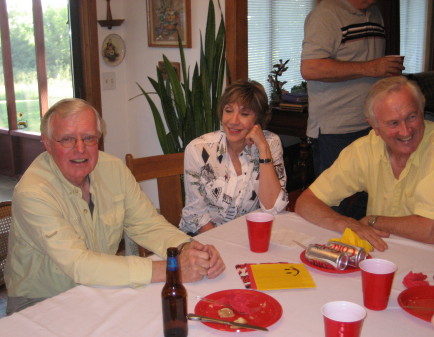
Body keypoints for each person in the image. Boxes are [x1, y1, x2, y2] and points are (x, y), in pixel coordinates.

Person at [4, 98, 225, 314]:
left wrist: (188, 249)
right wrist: (172, 270)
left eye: (89, 138)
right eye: (67, 139)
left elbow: (147, 225)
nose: (80, 148)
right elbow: (80, 265)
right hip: (40, 303)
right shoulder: (33, 193)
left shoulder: (113, 169)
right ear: (47, 143)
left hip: (99, 286)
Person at [295, 76, 434, 251]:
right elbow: (306, 202)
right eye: (393, 123)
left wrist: (373, 221)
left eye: (412, 117)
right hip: (386, 253)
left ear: (422, 111)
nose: (405, 130)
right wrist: (344, 223)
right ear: (374, 126)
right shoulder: (365, 149)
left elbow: (430, 230)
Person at [301, 0, 405, 177]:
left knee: (368, 197)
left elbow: (370, 68)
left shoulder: (375, 13)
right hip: (336, 130)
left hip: (373, 124)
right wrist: (370, 68)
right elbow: (310, 68)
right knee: (336, 201)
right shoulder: (326, 14)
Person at [179, 79, 288, 235]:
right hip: (206, 238)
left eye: (244, 114)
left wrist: (263, 150)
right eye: (228, 110)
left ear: (258, 119)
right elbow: (196, 215)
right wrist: (221, 246)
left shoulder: (271, 143)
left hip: (250, 236)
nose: (233, 121)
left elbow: (274, 208)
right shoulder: (198, 149)